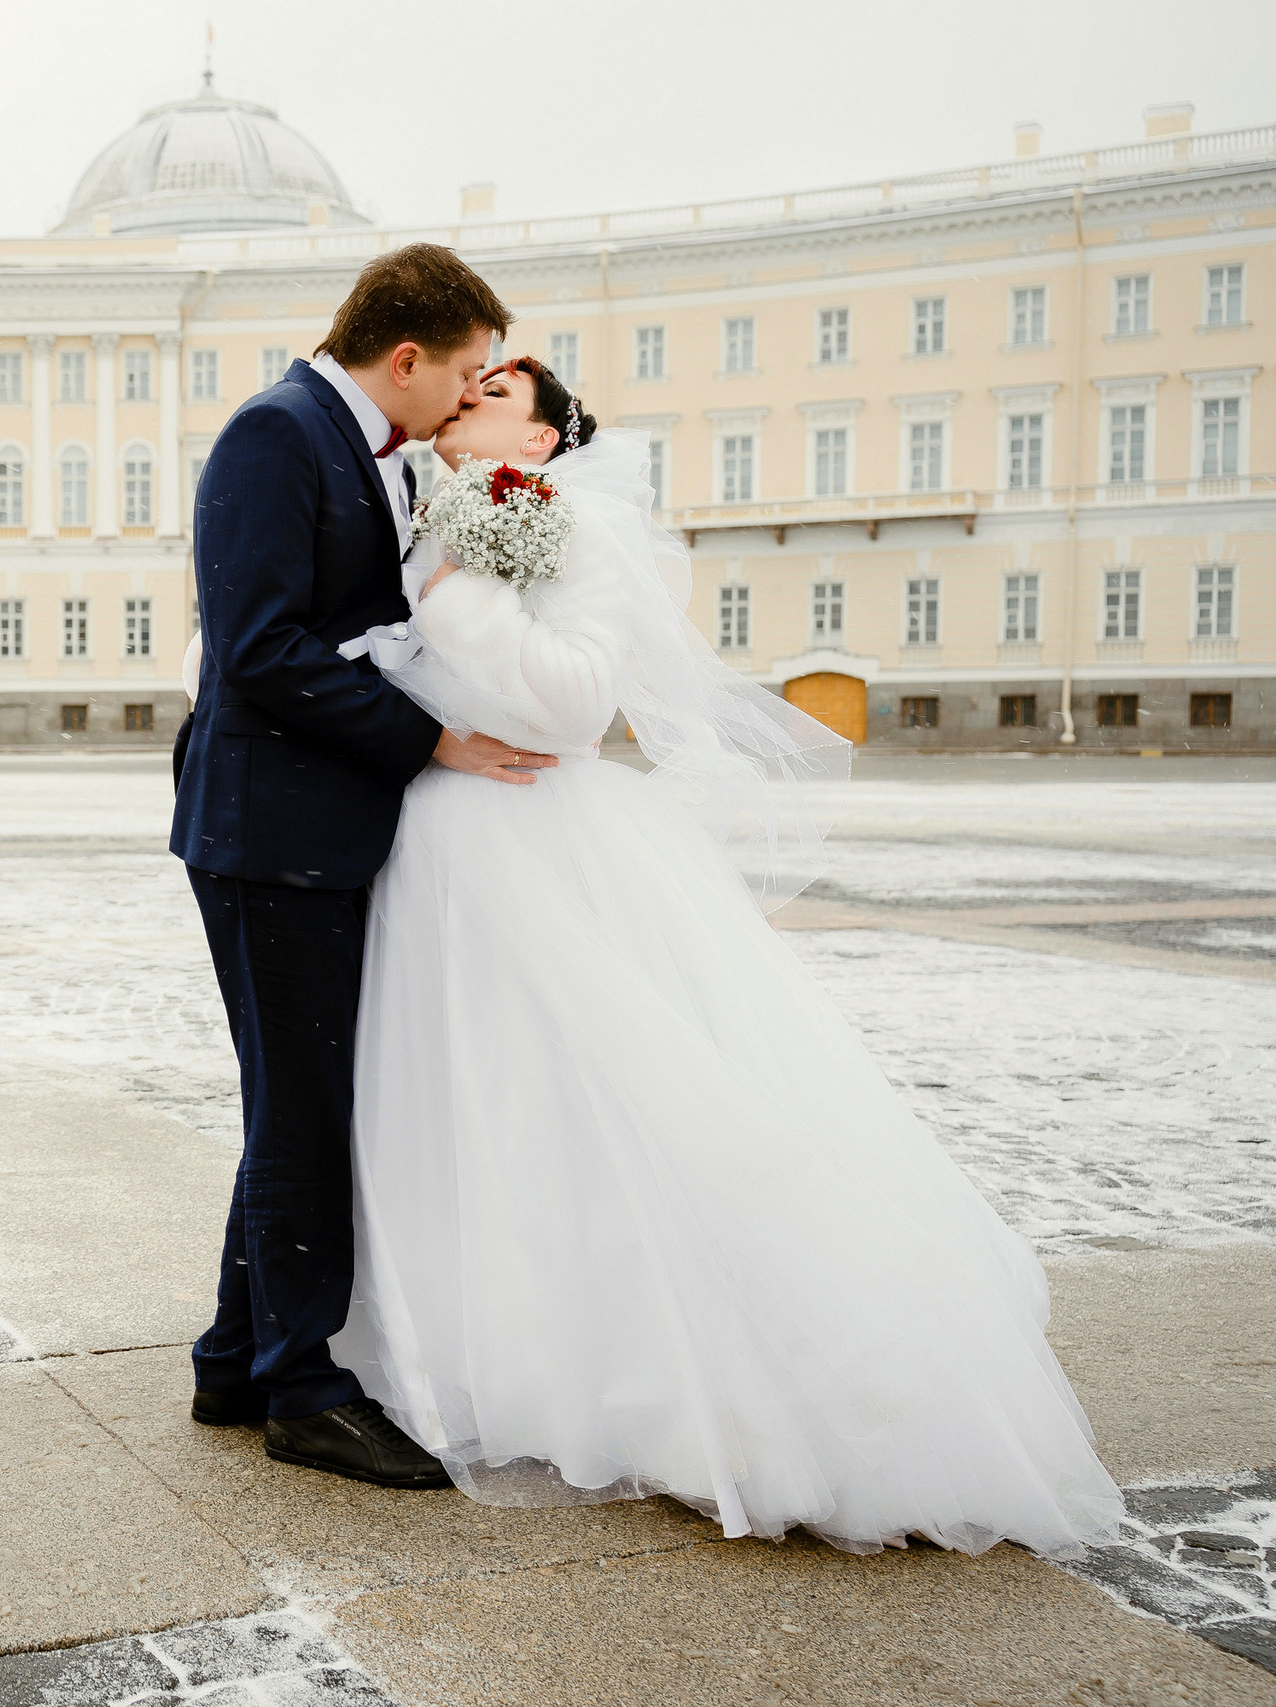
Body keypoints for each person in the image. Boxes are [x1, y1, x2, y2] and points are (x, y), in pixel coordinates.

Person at [330, 358, 1125, 1556]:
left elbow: (575, 705)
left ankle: (644, 1370)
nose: (467, 396)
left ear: (541, 440)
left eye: (496, 392)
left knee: (593, 1108)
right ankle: (477, 1343)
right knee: (467, 1107)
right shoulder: (424, 504)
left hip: (536, 847)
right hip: (434, 850)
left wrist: (449, 597)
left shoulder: (562, 520)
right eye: (468, 379)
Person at [171, 244, 553, 1489]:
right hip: (266, 831)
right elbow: (260, 648)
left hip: (307, 826)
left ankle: (236, 1358)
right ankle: (303, 1386)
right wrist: (432, 737)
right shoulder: (275, 436)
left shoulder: (362, 450)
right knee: (306, 1105)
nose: (465, 396)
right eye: (460, 372)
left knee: (298, 1091)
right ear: (404, 359)